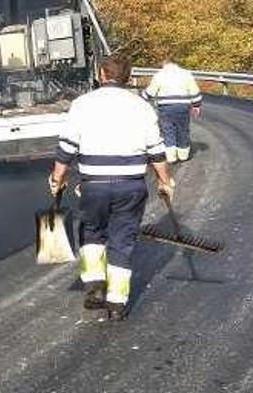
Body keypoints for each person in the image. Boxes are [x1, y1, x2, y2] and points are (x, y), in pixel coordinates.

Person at [50, 55, 175, 320]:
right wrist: (165, 181)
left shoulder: (82, 104)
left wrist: (57, 179)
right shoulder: (142, 107)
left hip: (93, 185)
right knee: (122, 241)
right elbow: (156, 151)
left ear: (100, 75)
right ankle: (117, 302)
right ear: (128, 78)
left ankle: (94, 284)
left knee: (91, 231)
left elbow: (67, 148)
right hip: (130, 187)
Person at [142, 58, 202, 163]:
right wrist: (196, 105)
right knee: (183, 130)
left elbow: (151, 92)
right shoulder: (186, 74)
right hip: (183, 106)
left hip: (165, 107)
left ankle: (171, 157)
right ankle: (183, 155)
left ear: (165, 65)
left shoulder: (160, 75)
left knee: (168, 131)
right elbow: (194, 91)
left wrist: (142, 97)